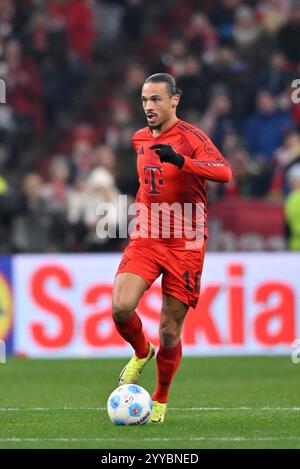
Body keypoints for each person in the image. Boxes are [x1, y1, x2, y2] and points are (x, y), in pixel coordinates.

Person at [112, 73, 232, 423]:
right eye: (144, 100)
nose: (149, 107)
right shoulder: (138, 139)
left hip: (186, 243)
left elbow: (224, 172)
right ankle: (140, 351)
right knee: (121, 307)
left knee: (169, 329)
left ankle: (160, 399)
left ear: (174, 100)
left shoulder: (192, 137)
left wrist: (182, 162)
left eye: (156, 100)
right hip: (148, 236)